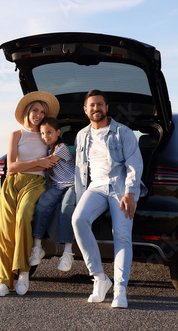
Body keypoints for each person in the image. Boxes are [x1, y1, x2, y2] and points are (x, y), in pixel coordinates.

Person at [72, 89, 146, 309]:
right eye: (92, 105)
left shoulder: (123, 132)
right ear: (85, 110)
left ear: (107, 107)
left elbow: (134, 163)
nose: (96, 109)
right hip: (95, 188)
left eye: (100, 104)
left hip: (120, 188)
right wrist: (79, 197)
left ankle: (121, 290)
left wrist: (131, 193)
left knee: (122, 235)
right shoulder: (81, 135)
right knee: (78, 220)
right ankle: (100, 278)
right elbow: (79, 170)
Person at [0, 91, 60, 297]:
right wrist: (38, 162)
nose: (38, 115)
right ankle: (3, 282)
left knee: (22, 220)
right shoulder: (16, 135)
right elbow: (11, 167)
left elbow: (58, 157)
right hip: (12, 184)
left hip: (36, 183)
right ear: (26, 112)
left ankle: (23, 273)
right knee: (5, 230)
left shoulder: (45, 136)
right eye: (35, 110)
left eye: (42, 112)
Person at [29, 117, 76, 272]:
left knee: (66, 207)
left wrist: (31, 162)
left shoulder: (61, 147)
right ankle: (37, 247)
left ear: (57, 132)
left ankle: (68, 252)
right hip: (57, 187)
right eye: (42, 133)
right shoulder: (47, 150)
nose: (45, 136)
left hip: (72, 185)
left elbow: (49, 162)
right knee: (43, 203)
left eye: (49, 132)